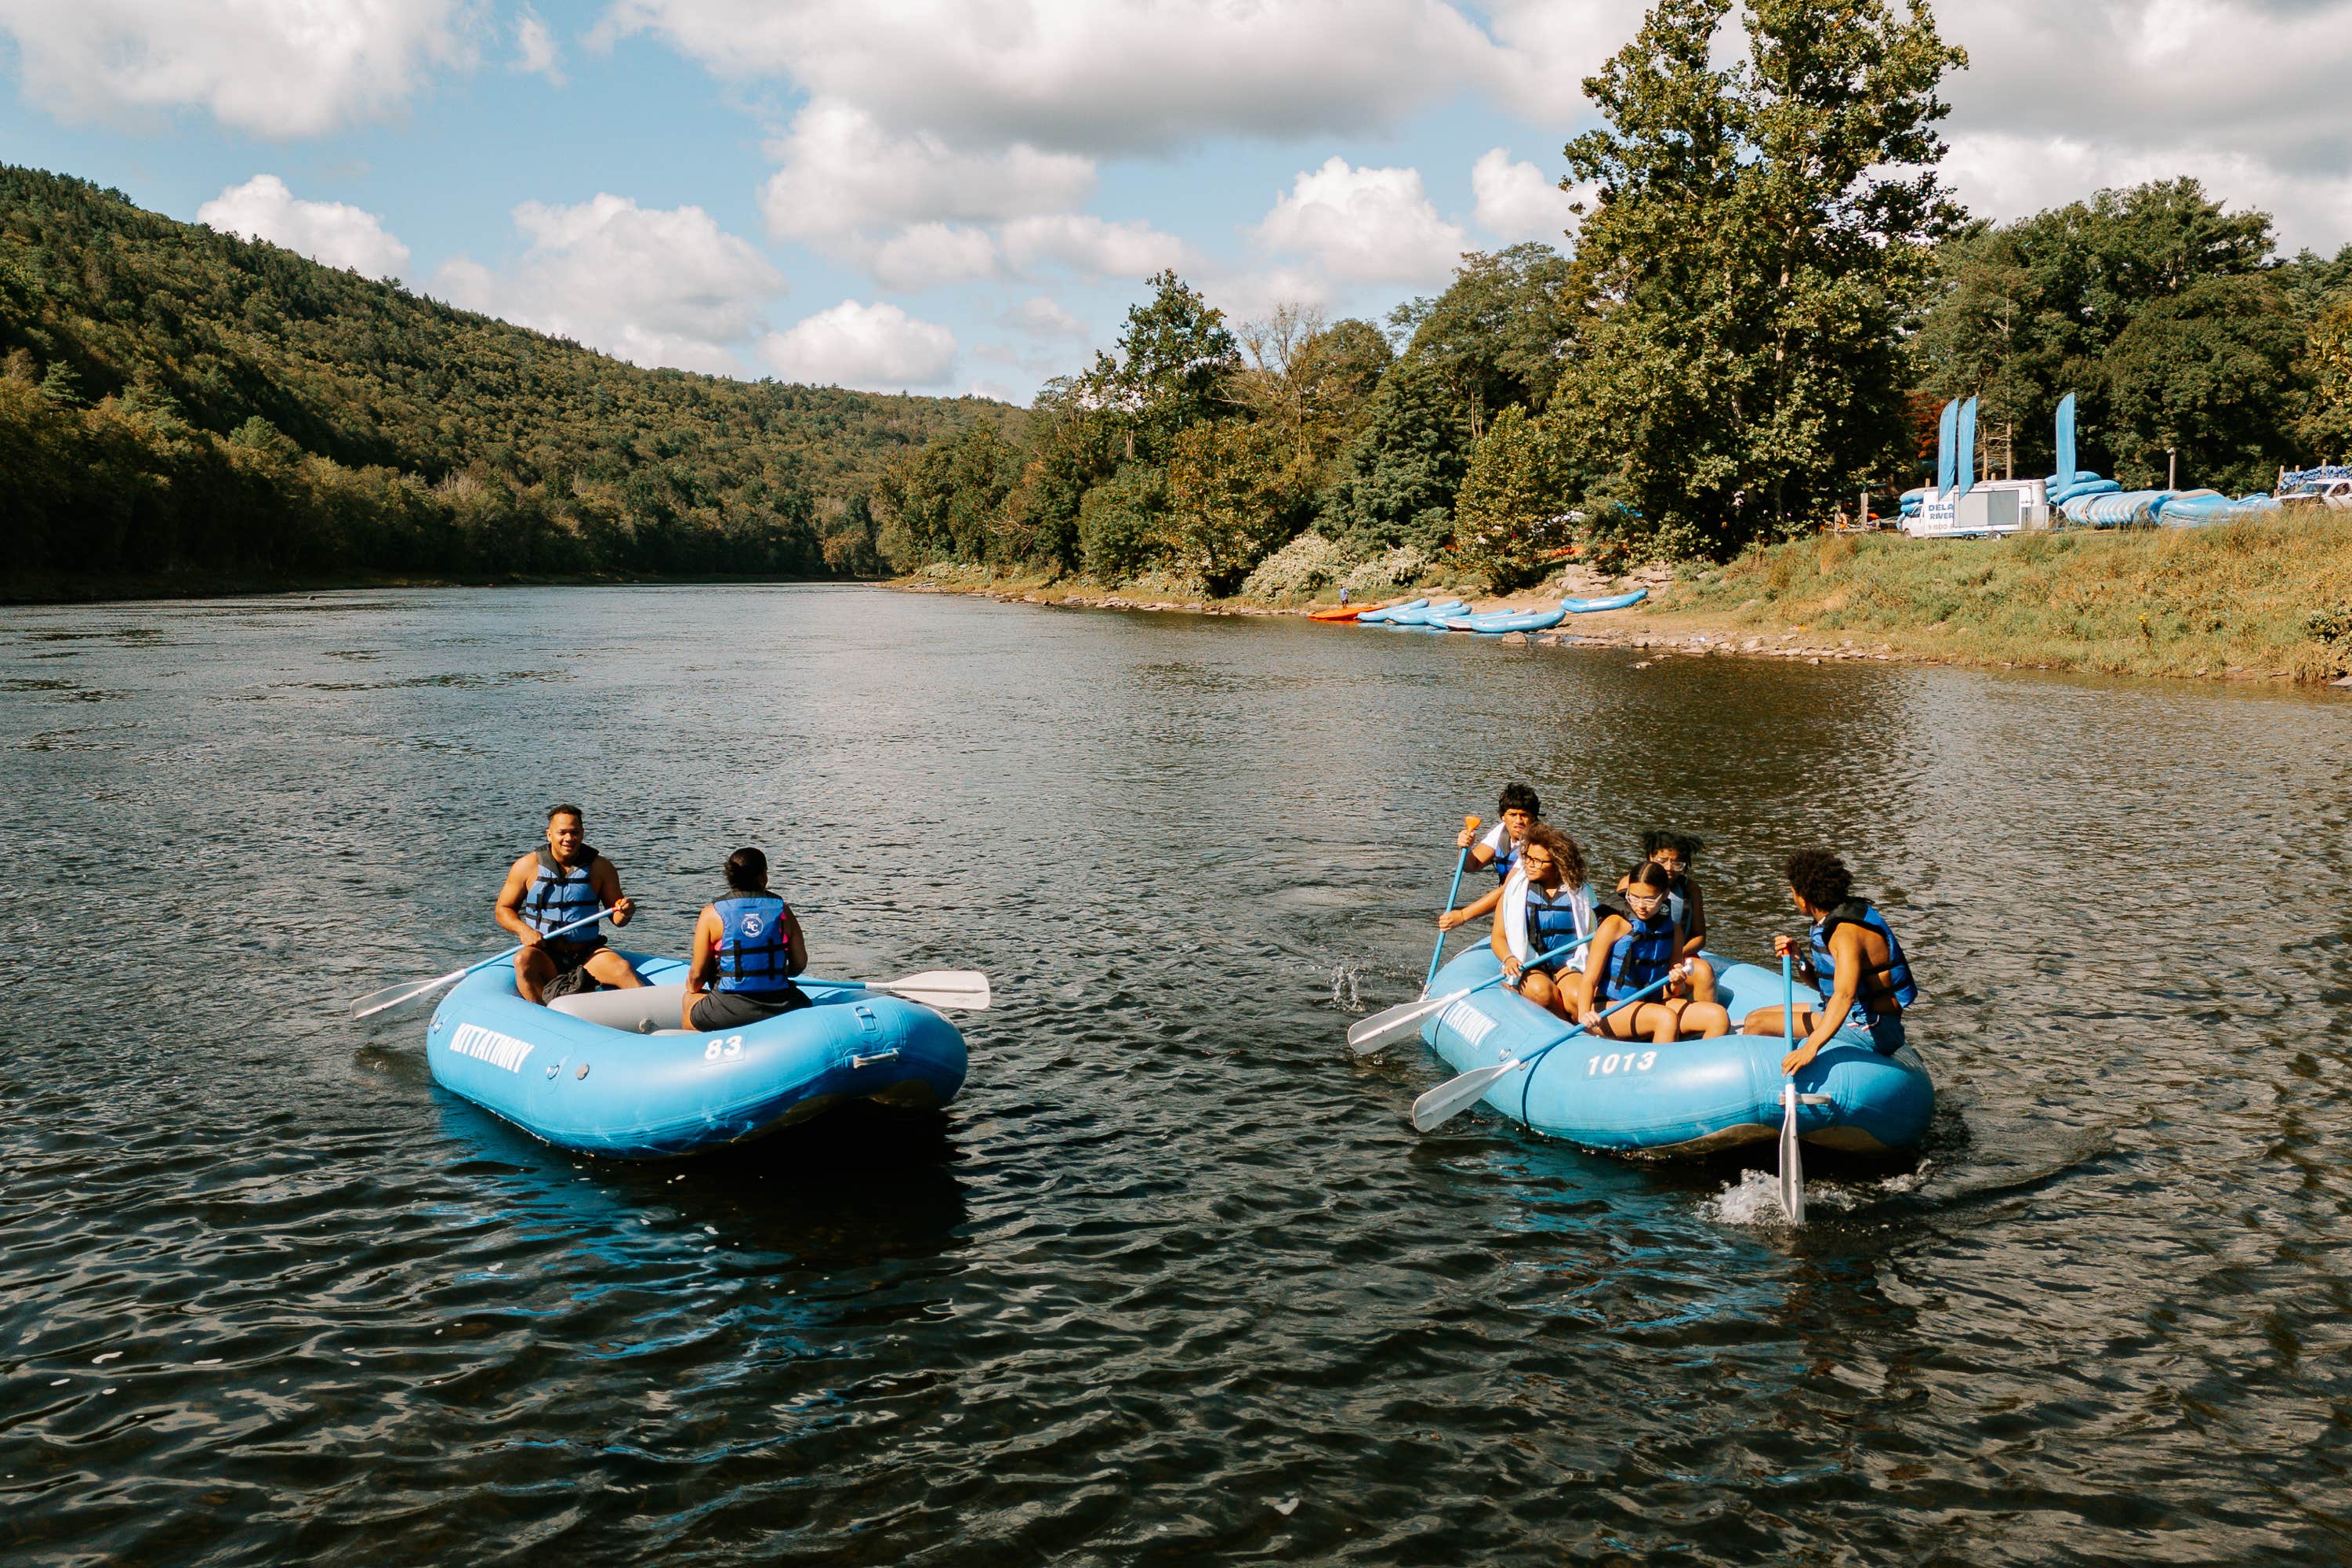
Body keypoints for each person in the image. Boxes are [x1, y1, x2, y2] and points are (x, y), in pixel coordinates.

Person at [1741, 848, 1918, 1073]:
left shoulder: (1845, 934)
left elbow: (1844, 996)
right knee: (1754, 1016)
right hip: (1854, 1012)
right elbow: (1823, 985)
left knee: (1757, 1025)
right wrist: (1799, 958)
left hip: (1871, 1026)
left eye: (1793, 892)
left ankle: (1761, 1081)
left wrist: (1811, 1047)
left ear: (1804, 898)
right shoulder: (1833, 920)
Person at [494, 804, 644, 1005]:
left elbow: (617, 919)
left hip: (587, 954)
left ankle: (655, 1016)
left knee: (622, 969)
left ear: (582, 834)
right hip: (545, 953)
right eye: (562, 832)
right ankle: (544, 1015)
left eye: (574, 832)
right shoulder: (526, 866)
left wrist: (626, 912)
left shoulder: (601, 868)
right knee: (523, 960)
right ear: (549, 835)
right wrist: (524, 931)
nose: (569, 838)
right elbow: (503, 909)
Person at [1581, 861, 1730, 1044]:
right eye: (1634, 897)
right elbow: (1589, 979)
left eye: (1649, 899)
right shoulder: (1614, 925)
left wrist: (1677, 981)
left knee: (1718, 1016)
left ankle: (1699, 1060)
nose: (1640, 905)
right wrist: (1584, 1014)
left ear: (1665, 895)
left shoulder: (1674, 931)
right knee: (1665, 1018)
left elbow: (1675, 991)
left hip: (1652, 1004)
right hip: (1610, 1008)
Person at [681, 847, 812, 1033]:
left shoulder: (711, 914)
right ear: (763, 877)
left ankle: (697, 1046)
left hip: (728, 1009)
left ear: (731, 878)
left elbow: (697, 976)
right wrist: (775, 973)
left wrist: (691, 987)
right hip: (782, 1005)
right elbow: (799, 965)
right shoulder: (783, 911)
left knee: (688, 999)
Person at [1489, 824, 1595, 1021]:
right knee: (1544, 993)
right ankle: (1566, 1025)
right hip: (1529, 965)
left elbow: (1595, 935)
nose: (1529, 864)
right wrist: (1509, 958)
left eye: (1537, 861)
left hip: (1568, 965)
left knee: (1577, 997)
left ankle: (1582, 1028)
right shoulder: (1515, 891)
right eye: (1527, 858)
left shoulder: (1581, 893)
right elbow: (1498, 937)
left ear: (1557, 863)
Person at [1619, 829, 1717, 1007]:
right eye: (1662, 860)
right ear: (1651, 857)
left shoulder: (1691, 889)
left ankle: (1704, 1017)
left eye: (1677, 863)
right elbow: (1617, 928)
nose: (1669, 868)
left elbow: (1699, 937)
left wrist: (1676, 956)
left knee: (1704, 971)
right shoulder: (1631, 884)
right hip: (1641, 955)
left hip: (1680, 955)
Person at [1438, 782, 1543, 935]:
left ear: (1533, 817)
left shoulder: (1537, 843)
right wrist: (1464, 848)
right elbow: (1471, 865)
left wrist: (1463, 916)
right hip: (1513, 905)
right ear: (1503, 816)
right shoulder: (1502, 831)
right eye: (1513, 815)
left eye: (1524, 815)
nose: (1518, 821)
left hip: (1536, 910)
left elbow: (1507, 890)